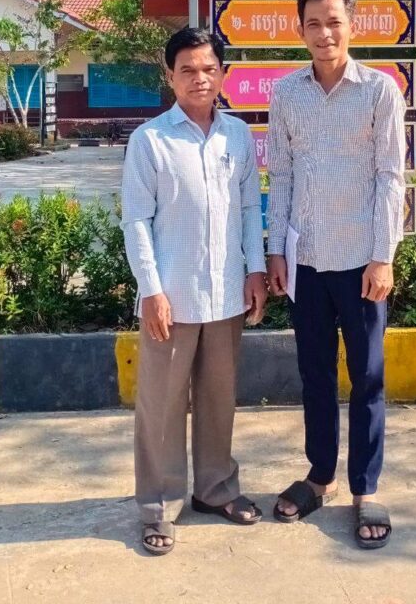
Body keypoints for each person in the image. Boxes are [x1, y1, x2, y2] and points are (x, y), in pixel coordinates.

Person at [266, 0, 406, 550]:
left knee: (367, 377)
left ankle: (366, 489)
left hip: (361, 263)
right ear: (300, 29)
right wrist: (276, 250)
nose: (324, 34)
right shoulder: (286, 94)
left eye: (334, 22)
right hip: (307, 261)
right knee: (315, 374)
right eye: (314, 24)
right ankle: (320, 476)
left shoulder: (379, 91)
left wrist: (383, 256)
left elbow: (391, 177)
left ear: (353, 25)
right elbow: (282, 176)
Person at [121, 27, 268, 555]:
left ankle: (214, 490)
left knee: (218, 399)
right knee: (161, 405)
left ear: (222, 75)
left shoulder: (238, 136)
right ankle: (158, 506)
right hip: (172, 297)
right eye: (187, 70)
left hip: (226, 294)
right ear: (170, 76)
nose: (199, 78)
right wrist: (151, 290)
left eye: (209, 69)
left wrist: (255, 270)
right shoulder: (150, 140)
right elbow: (136, 220)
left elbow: (249, 208)